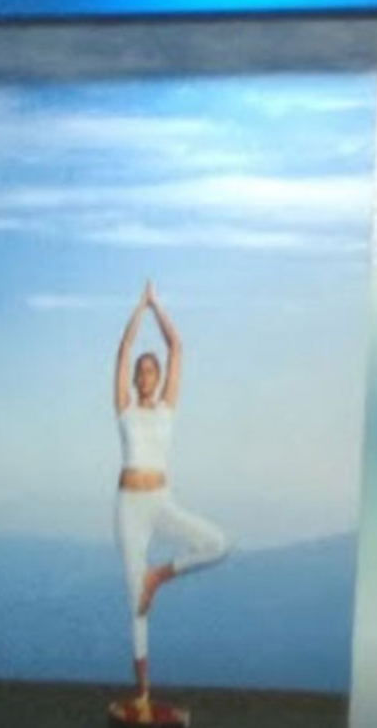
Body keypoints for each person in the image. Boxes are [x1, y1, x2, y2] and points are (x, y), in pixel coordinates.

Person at [113, 280, 229, 706]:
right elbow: (123, 351)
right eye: (140, 371)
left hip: (161, 503)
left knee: (218, 544)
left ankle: (158, 576)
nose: (145, 375)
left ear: (159, 378)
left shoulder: (167, 408)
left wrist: (155, 305)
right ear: (134, 378)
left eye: (151, 370)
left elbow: (176, 346)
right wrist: (136, 309)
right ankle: (143, 693)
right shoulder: (124, 408)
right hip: (129, 508)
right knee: (137, 606)